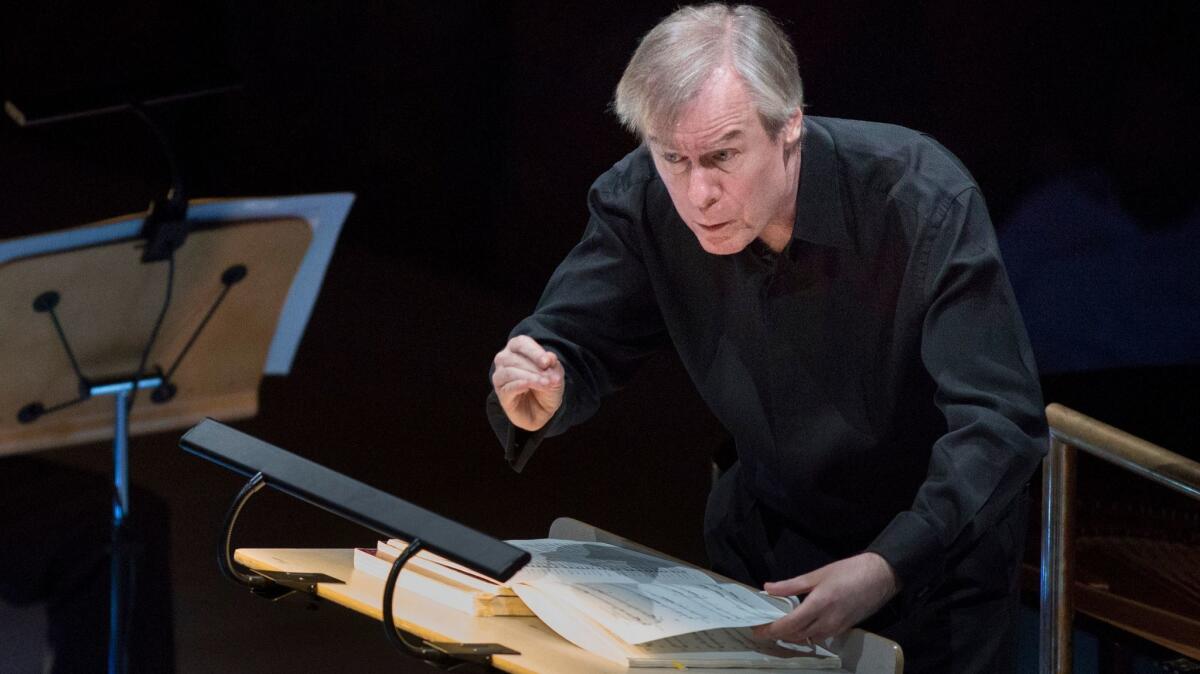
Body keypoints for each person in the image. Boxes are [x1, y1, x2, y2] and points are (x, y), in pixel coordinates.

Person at [487, 5, 1046, 672]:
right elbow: (571, 345)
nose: (698, 193)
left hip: (931, 566)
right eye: (673, 157)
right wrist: (541, 389)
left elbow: (1000, 421)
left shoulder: (920, 198)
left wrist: (887, 564)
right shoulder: (641, 197)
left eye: (723, 155)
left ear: (791, 124)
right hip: (763, 552)